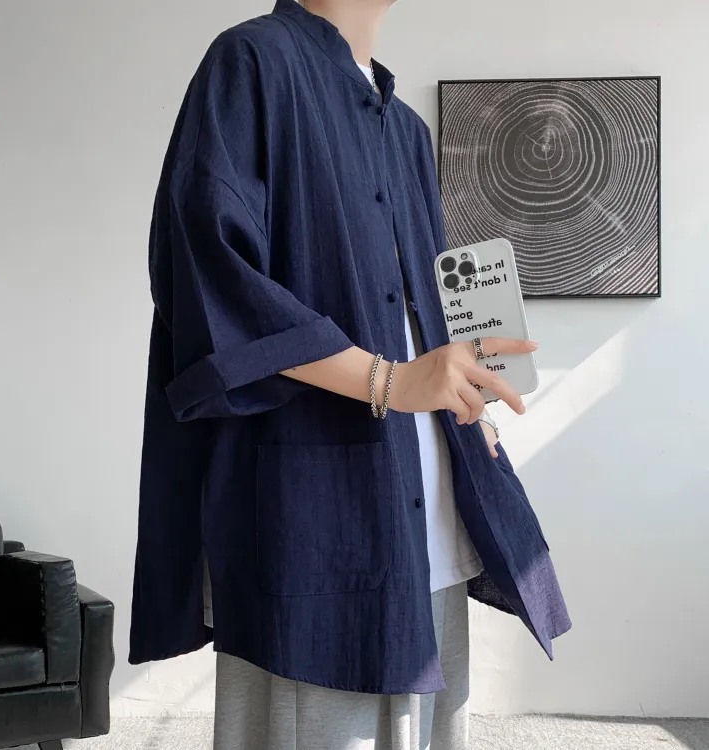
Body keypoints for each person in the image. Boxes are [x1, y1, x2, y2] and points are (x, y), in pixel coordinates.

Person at [129, 0, 572, 747]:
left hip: (430, 501)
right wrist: (390, 382)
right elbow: (207, 267)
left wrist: (463, 391)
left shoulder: (408, 131)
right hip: (317, 513)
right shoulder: (253, 62)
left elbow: (419, 312)